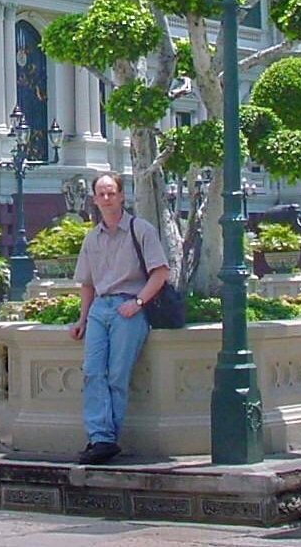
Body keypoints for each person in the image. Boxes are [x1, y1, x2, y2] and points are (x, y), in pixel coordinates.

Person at [69, 173, 169, 465]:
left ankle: (106, 438)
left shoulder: (141, 230)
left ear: (122, 196)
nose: (107, 198)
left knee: (116, 375)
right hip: (100, 309)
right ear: (95, 199)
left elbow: (160, 273)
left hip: (129, 307)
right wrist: (82, 319)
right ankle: (100, 437)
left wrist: (138, 302)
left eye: (111, 192)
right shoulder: (92, 237)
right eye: (101, 193)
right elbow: (87, 283)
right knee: (92, 371)